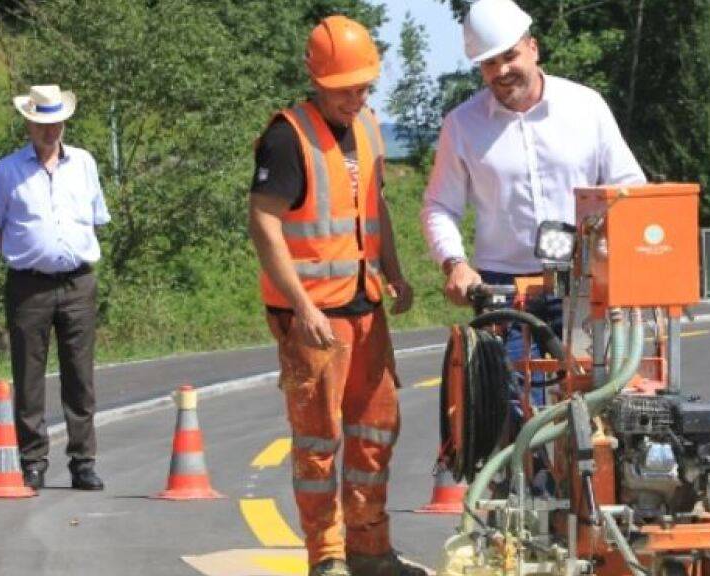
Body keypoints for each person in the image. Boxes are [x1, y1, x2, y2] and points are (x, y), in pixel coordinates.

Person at [248, 15, 422, 576]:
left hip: (364, 305)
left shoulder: (369, 126)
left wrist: (394, 271)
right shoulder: (286, 137)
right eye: (346, 87)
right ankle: (326, 555)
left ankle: (370, 550)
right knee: (318, 442)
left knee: (375, 431)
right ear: (317, 80)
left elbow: (374, 210)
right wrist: (301, 307)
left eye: (364, 86)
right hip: (314, 318)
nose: (357, 96)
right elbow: (264, 224)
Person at [421, 0, 646, 310]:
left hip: (581, 279)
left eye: (510, 56)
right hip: (501, 287)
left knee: (584, 361)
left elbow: (628, 187)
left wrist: (610, 243)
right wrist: (455, 263)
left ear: (533, 48)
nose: (501, 70)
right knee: (500, 361)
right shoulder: (461, 125)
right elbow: (440, 206)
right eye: (489, 62)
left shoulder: (587, 107)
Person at [0, 84, 110, 491]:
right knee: (29, 375)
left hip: (77, 281)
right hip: (28, 286)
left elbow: (94, 217)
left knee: (80, 375)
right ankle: (32, 460)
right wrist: (26, 254)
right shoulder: (7, 171)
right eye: (41, 123)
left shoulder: (84, 163)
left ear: (64, 122)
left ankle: (83, 461)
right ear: (28, 124)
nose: (49, 130)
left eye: (55, 123)